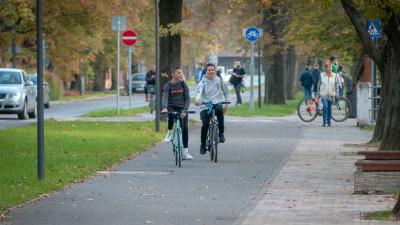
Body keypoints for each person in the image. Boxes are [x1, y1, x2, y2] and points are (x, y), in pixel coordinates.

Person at [195, 63, 229, 155]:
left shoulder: (219, 80)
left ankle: (221, 134)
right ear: (206, 71)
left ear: (215, 70)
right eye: (209, 70)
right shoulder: (202, 82)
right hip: (205, 105)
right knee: (205, 124)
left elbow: (226, 91)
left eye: (212, 70)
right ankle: (203, 145)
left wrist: (227, 101)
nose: (211, 71)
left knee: (220, 111)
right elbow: (199, 92)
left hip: (216, 103)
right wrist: (198, 99)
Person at [161, 67, 193, 160]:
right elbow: (165, 97)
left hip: (182, 108)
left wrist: (184, 110)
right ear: (173, 74)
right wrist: (164, 108)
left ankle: (185, 153)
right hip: (172, 107)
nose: (180, 75)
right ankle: (169, 132)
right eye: (178, 73)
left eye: (181, 73)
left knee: (185, 129)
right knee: (171, 114)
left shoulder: (183, 84)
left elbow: (187, 98)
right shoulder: (168, 85)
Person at [317, 62, 339, 127]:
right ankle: (325, 122)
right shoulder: (321, 75)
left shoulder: (335, 75)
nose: (330, 68)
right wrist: (318, 94)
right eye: (328, 67)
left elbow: (336, 85)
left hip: (332, 95)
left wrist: (337, 93)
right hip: (324, 94)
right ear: (326, 68)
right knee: (325, 107)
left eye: (331, 67)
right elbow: (318, 85)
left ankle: (329, 122)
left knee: (329, 109)